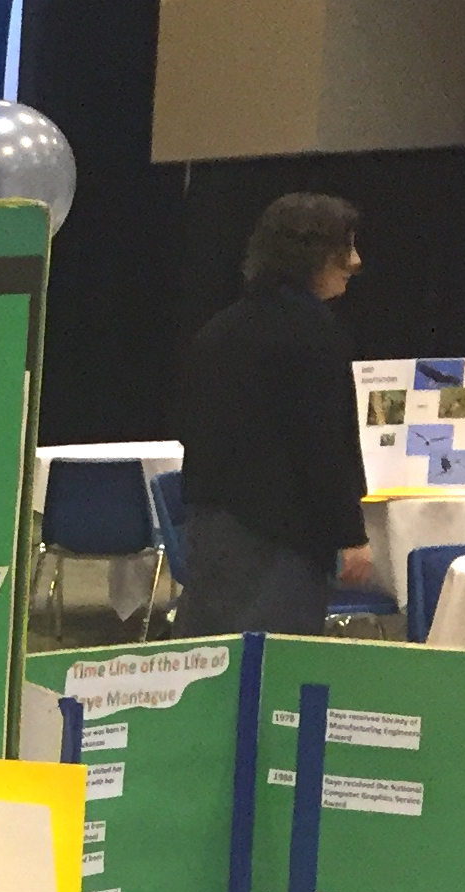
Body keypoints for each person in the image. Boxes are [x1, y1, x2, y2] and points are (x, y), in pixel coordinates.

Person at [176, 192, 374, 636]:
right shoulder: (314, 336)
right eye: (347, 248)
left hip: (214, 529)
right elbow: (322, 446)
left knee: (214, 660)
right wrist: (350, 534)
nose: (356, 262)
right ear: (316, 255)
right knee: (272, 672)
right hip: (280, 540)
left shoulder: (219, 328)